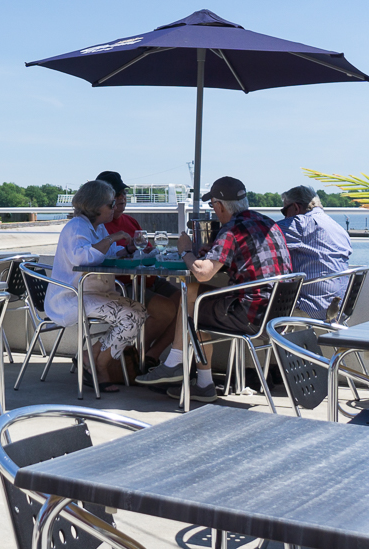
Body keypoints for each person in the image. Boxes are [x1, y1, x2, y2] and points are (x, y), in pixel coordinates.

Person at [136, 175, 292, 401]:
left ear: (219, 206)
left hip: (250, 314)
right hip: (277, 312)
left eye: (213, 205)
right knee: (192, 295)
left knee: (191, 299)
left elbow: (203, 272)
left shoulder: (232, 229)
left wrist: (185, 251)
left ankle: (175, 364)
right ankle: (202, 383)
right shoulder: (269, 224)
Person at [46, 180, 177, 392]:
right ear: (97, 206)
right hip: (73, 297)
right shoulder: (76, 226)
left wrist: (125, 249)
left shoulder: (94, 227)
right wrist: (113, 238)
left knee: (139, 311)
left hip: (91, 292)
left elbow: (104, 253)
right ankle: (101, 364)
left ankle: (92, 354)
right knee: (130, 316)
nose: (115, 207)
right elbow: (83, 257)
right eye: (111, 204)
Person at [96, 170, 182, 342]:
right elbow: (99, 260)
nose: (122, 198)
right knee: (166, 309)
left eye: (124, 193)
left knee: (185, 304)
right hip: (122, 285)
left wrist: (150, 252)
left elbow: (146, 250)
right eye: (117, 194)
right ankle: (129, 357)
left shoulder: (131, 221)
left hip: (147, 279)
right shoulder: (99, 227)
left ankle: (150, 357)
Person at [277, 185, 353, 320]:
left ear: (296, 207)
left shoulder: (300, 224)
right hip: (341, 306)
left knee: (258, 306)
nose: (284, 216)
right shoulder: (338, 227)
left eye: (284, 211)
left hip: (313, 308)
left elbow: (262, 235)